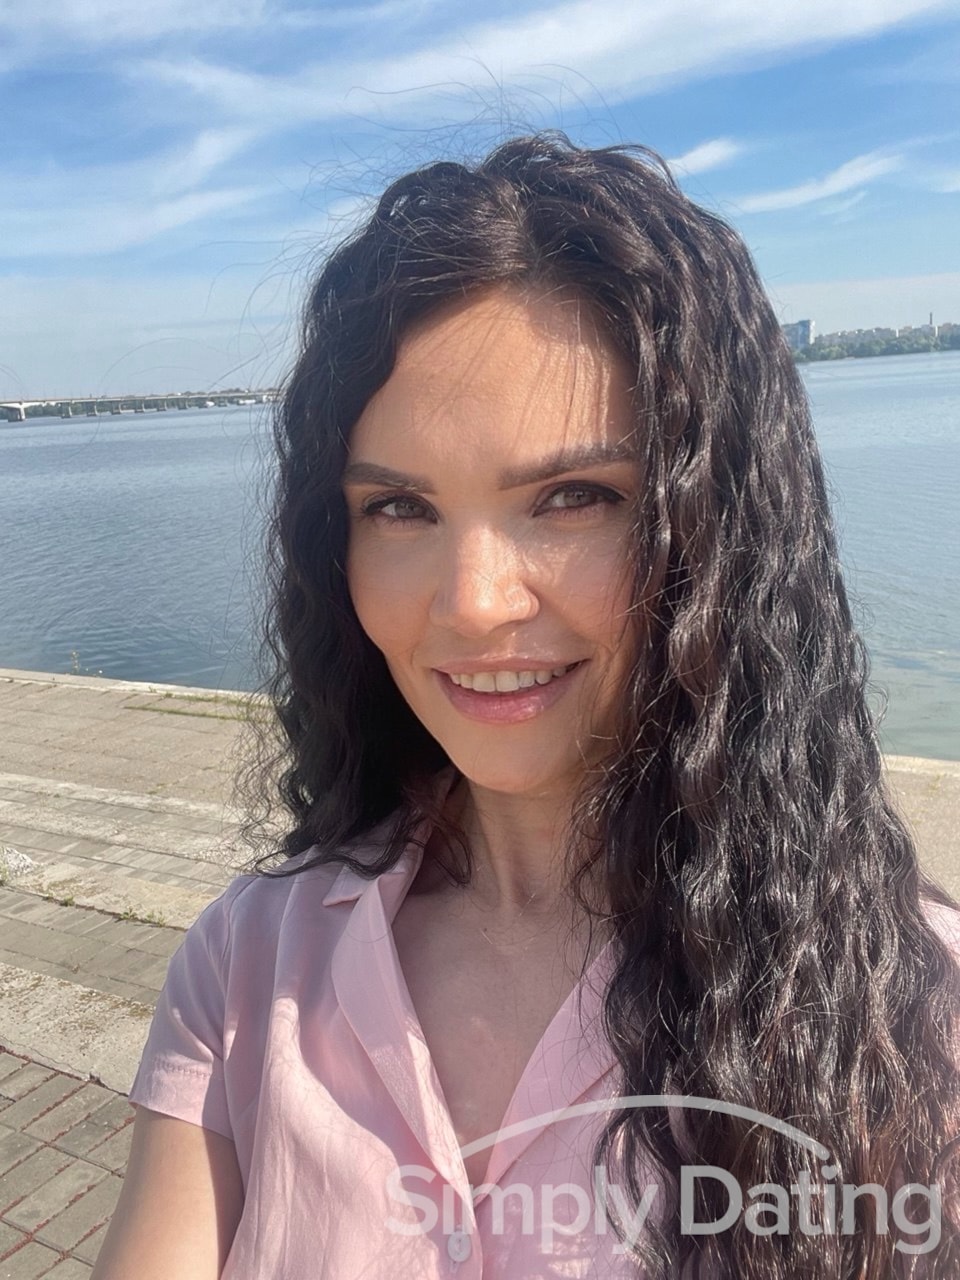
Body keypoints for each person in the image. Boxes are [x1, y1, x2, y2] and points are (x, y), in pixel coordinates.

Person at [91, 134, 960, 1280]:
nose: (474, 602)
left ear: (719, 530)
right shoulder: (249, 963)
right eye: (400, 508)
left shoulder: (912, 1008)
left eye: (572, 496)